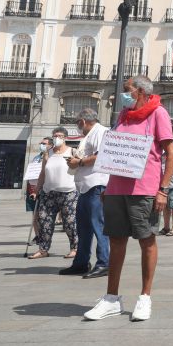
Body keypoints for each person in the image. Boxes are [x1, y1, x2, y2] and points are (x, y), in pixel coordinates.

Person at [83, 75, 173, 322]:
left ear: (142, 92)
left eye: (127, 90)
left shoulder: (158, 114)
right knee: (115, 240)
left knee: (146, 239)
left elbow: (170, 153)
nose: (123, 94)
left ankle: (145, 297)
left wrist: (163, 189)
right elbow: (113, 150)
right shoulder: (123, 116)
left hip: (144, 188)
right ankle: (111, 298)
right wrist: (107, 184)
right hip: (116, 188)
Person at [60, 109, 110, 278]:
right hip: (85, 187)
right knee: (83, 228)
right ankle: (81, 263)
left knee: (99, 226)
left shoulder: (100, 132)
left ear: (82, 121)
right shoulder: (89, 135)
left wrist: (79, 162)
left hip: (96, 185)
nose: (78, 126)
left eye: (77, 123)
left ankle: (104, 263)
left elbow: (102, 155)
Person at [29, 127, 79, 260]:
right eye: (55, 135)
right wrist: (37, 190)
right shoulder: (48, 153)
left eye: (60, 135)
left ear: (65, 138)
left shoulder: (72, 151)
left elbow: (79, 171)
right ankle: (43, 249)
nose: (57, 137)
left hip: (68, 193)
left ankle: (74, 248)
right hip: (48, 192)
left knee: (69, 222)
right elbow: (43, 173)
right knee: (44, 221)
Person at [27, 137, 51, 246]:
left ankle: (44, 236)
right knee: (35, 216)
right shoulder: (37, 157)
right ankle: (37, 235)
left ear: (50, 145)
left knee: (43, 215)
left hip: (45, 189)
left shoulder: (51, 157)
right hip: (32, 188)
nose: (41, 145)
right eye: (41, 143)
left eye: (44, 143)